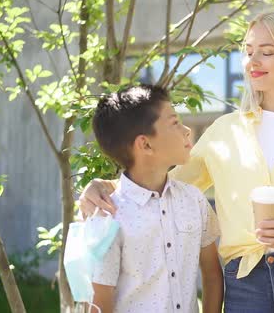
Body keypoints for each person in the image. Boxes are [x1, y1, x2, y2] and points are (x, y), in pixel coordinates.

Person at [81, 10, 274, 312]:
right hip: (246, 284)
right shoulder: (224, 131)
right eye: (248, 51)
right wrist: (103, 185)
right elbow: (165, 183)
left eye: (267, 52)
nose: (252, 61)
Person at [89, 85, 223, 312]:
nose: (186, 130)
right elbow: (99, 303)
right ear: (145, 144)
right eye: (174, 123)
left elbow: (212, 273)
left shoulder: (194, 200)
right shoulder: (107, 217)